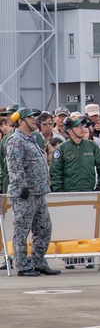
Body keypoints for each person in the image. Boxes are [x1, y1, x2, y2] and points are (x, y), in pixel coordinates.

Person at [50, 114, 100, 269]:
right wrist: (60, 193)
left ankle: (89, 256)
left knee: (88, 227)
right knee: (69, 228)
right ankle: (70, 258)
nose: (83, 128)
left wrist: (99, 186)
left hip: (89, 193)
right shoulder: (62, 149)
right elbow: (55, 173)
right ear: (70, 130)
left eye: (83, 125)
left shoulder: (91, 146)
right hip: (69, 194)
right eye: (78, 126)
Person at [6, 108, 60, 277]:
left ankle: (38, 262)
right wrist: (22, 187)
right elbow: (15, 166)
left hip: (38, 192)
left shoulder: (31, 139)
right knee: (21, 230)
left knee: (44, 228)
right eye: (30, 118)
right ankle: (22, 265)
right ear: (21, 121)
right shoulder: (16, 140)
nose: (34, 120)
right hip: (25, 193)